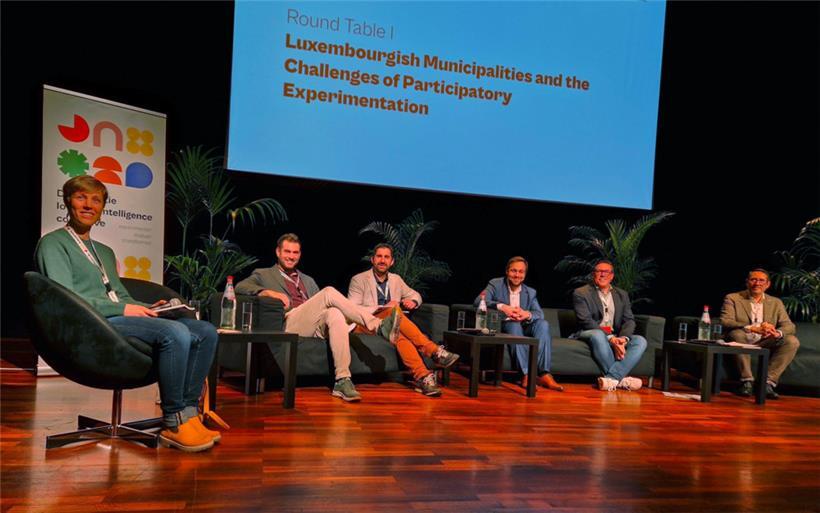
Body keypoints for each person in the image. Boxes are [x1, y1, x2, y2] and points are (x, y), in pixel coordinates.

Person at [35, 176, 220, 452]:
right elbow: (66, 300)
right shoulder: (53, 243)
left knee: (205, 331)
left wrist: (147, 307)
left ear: (102, 208)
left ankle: (190, 414)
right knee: (176, 332)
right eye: (81, 197)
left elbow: (118, 294)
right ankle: (173, 420)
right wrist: (124, 308)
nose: (88, 205)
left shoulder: (105, 252)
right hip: (92, 324)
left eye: (96, 200)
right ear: (67, 202)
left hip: (117, 318)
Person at [235, 233, 402, 402]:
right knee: (329, 292)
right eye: (287, 252)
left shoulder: (307, 280)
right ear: (278, 252)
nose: (291, 256)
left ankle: (342, 380)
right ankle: (378, 326)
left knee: (334, 313)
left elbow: (320, 305)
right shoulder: (264, 274)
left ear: (299, 255)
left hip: (312, 326)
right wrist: (266, 291)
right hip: (289, 322)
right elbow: (240, 286)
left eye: (295, 253)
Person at [347, 243, 459, 397]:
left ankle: (423, 377)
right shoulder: (359, 279)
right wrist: (384, 308)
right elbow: (352, 309)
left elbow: (416, 295)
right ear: (372, 259)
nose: (382, 260)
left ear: (392, 262)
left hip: (390, 326)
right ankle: (434, 351)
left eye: (386, 257)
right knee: (394, 313)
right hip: (364, 325)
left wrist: (413, 302)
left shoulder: (396, 280)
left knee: (398, 333)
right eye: (379, 256)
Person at [475, 257, 563, 391]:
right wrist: (503, 307)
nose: (517, 275)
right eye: (514, 271)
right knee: (513, 325)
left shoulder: (530, 292)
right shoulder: (496, 284)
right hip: (506, 325)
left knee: (543, 324)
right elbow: (478, 301)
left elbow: (539, 313)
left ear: (525, 274)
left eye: (521, 272)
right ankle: (526, 374)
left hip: (524, 325)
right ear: (507, 271)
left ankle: (544, 374)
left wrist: (526, 314)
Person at [720, 268, 800, 399]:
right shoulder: (733, 298)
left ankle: (767, 383)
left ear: (767, 284)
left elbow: (789, 325)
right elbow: (726, 321)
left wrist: (777, 332)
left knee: (792, 341)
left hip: (765, 340)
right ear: (747, 282)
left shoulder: (775, 302)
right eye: (753, 279)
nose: (757, 283)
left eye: (761, 280)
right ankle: (747, 381)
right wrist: (752, 328)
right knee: (736, 334)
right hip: (742, 337)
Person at [572, 260, 647, 391]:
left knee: (640, 341)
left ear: (612, 276)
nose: (602, 275)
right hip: (589, 331)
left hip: (616, 335)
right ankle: (621, 380)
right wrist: (611, 338)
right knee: (598, 334)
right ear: (593, 274)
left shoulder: (622, 294)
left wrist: (623, 338)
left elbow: (629, 320)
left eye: (606, 272)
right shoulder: (581, 293)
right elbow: (586, 320)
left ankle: (611, 379)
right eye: (598, 271)